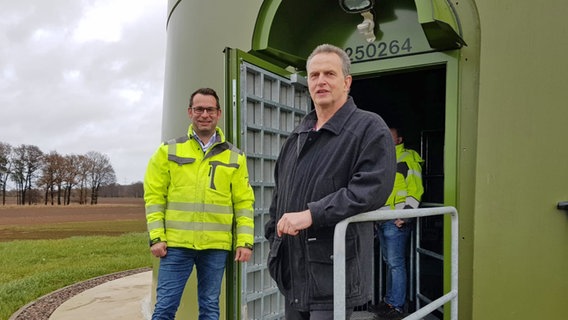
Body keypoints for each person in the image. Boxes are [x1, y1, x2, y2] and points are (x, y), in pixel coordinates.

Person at [264, 43, 396, 320]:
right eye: (314, 75)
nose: (321, 81)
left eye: (329, 74)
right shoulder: (297, 136)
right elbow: (280, 194)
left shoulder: (369, 128)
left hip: (333, 272)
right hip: (293, 271)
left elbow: (371, 190)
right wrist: (272, 234)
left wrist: (312, 214)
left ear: (347, 82)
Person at [143, 87, 255, 320]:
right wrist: (157, 236)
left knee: (210, 307)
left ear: (219, 113)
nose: (204, 114)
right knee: (164, 308)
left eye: (210, 109)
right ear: (190, 112)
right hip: (175, 246)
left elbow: (244, 203)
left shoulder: (235, 157)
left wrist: (244, 242)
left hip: (215, 247)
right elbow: (154, 196)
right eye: (199, 109)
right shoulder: (168, 151)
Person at [375, 126, 424, 320]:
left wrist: (406, 215)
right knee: (390, 263)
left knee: (395, 264)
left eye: (390, 135)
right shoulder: (382, 160)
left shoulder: (407, 158)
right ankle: (389, 301)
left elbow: (415, 189)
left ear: (399, 139)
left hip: (396, 221)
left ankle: (396, 307)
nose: (386, 137)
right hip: (381, 220)